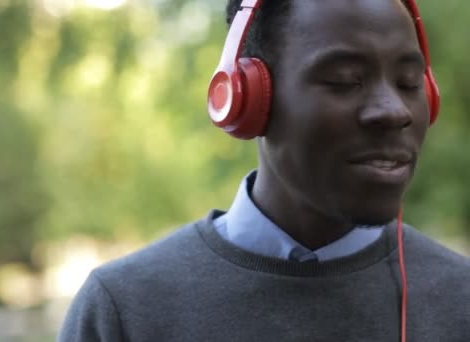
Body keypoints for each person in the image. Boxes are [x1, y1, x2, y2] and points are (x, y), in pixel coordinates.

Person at [59, 0, 470, 341]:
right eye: (345, 80)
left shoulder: (461, 300)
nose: (394, 111)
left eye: (409, 81)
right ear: (250, 99)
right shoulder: (124, 311)